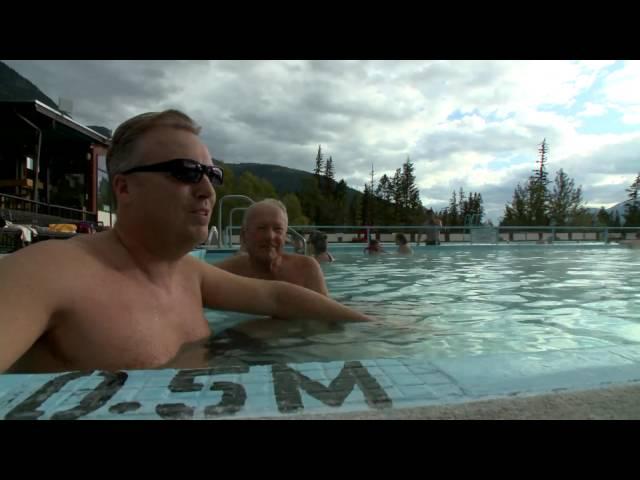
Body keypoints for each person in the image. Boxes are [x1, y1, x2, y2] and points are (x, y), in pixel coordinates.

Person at [0, 110, 370, 374]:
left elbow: (276, 296)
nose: (208, 190)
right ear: (124, 187)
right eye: (186, 172)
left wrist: (372, 324)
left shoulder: (188, 272)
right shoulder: (45, 271)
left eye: (212, 174)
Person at [215, 199, 329, 295]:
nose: (270, 236)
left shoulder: (307, 270)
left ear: (285, 236)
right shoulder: (226, 273)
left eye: (278, 229)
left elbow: (328, 317)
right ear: (244, 235)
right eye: (261, 228)